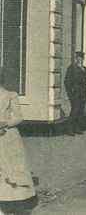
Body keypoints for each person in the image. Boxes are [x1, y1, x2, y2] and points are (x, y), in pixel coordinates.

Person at [0, 75, 36, 213]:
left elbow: (19, 117)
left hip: (8, 136)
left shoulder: (10, 95)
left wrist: (6, 124)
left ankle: (13, 199)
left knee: (11, 167)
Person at [64, 51, 86, 135]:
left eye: (81, 58)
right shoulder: (71, 68)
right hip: (75, 92)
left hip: (83, 92)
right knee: (74, 110)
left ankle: (77, 128)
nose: (79, 60)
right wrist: (70, 92)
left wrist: (83, 69)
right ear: (75, 59)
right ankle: (69, 129)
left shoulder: (83, 68)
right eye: (78, 58)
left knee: (80, 111)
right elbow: (67, 81)